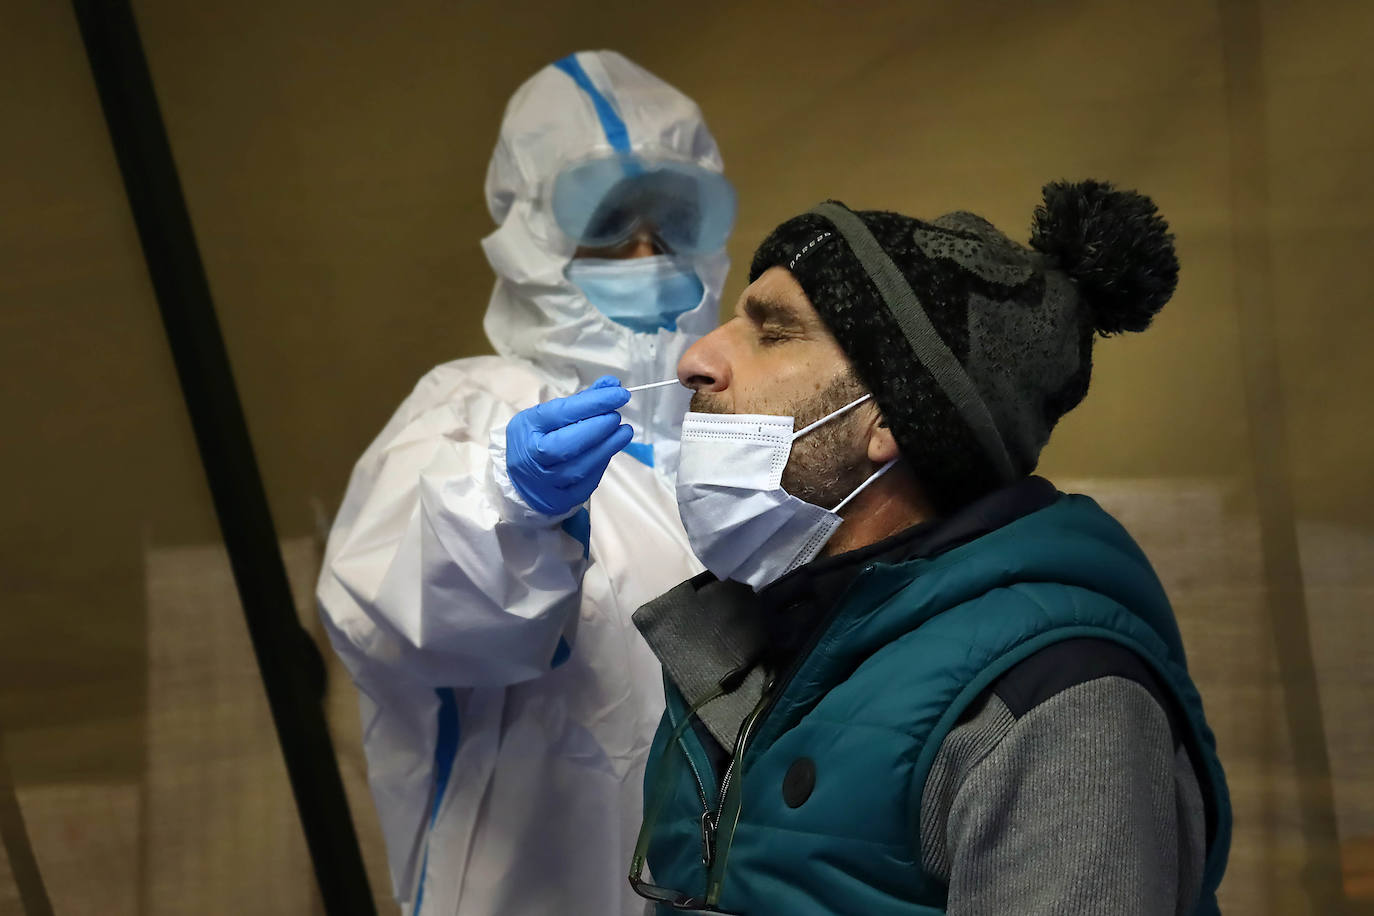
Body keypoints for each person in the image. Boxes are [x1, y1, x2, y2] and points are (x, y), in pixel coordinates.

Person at [631, 182, 1232, 914]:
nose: (699, 357)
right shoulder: (750, 646)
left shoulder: (1057, 701)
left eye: (774, 330)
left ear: (888, 417)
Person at [316, 50, 734, 916]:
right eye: (611, 223)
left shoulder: (734, 422)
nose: (648, 254)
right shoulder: (469, 410)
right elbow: (394, 619)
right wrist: (506, 510)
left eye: (673, 222)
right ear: (536, 234)